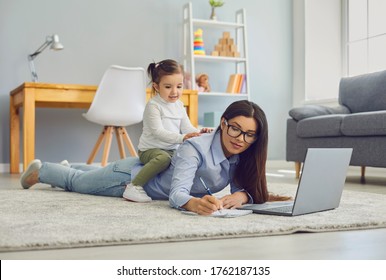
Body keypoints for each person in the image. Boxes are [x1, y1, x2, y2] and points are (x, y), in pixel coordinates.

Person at [21, 100, 286, 215]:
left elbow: (244, 188)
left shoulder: (241, 154)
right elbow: (177, 194)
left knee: (89, 174)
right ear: (223, 123)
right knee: (77, 184)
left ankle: (77, 168)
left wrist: (241, 196)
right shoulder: (195, 149)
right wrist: (194, 205)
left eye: (250, 134)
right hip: (131, 178)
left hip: (133, 171)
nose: (240, 138)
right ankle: (42, 170)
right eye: (235, 128)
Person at [124, 59, 211, 203]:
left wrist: (199, 132)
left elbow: (187, 128)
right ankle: (134, 186)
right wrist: (182, 138)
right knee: (163, 159)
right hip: (151, 149)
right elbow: (158, 132)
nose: (174, 92)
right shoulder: (154, 106)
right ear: (156, 87)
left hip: (171, 149)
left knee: (187, 157)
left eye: (179, 86)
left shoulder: (179, 105)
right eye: (168, 86)